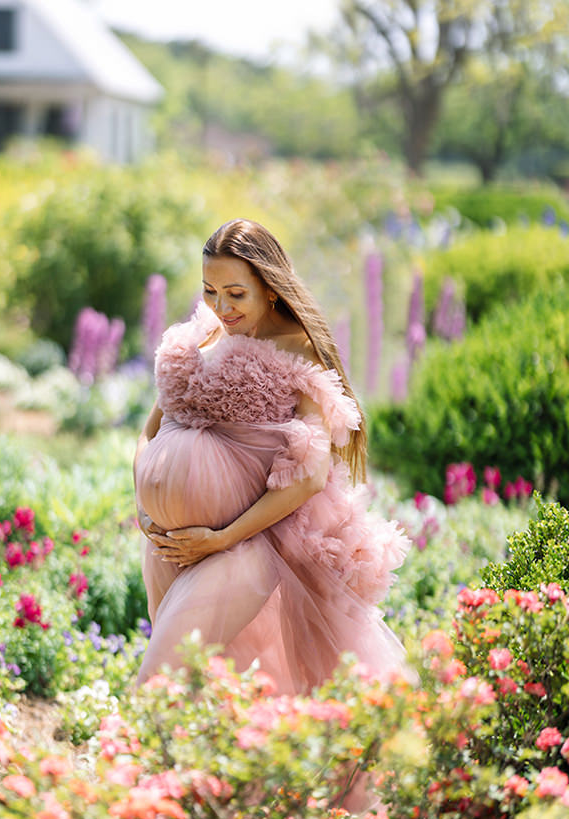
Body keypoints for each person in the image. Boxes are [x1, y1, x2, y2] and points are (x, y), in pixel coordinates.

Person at [133, 219, 409, 693]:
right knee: (204, 692)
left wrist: (219, 538)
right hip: (168, 541)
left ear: (270, 287)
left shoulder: (299, 350)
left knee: (162, 681)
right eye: (210, 291)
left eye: (236, 293)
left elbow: (308, 476)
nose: (222, 307)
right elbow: (151, 430)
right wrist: (143, 504)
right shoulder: (200, 337)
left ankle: (134, 766)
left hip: (243, 545)